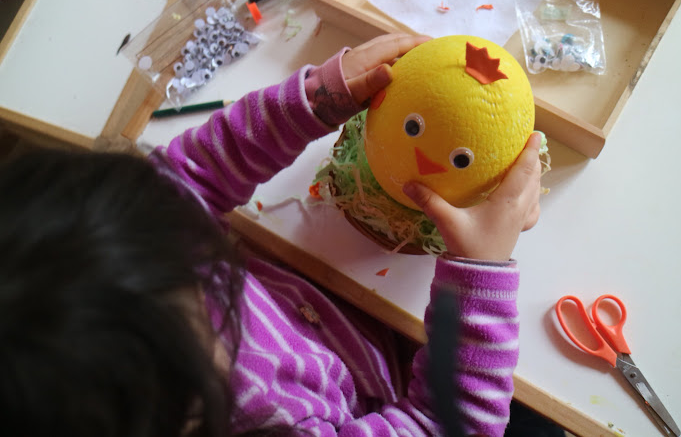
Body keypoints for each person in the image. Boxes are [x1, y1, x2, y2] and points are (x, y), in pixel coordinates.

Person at [0, 33, 542, 436]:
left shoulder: (124, 251)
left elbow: (189, 178)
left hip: (326, 300)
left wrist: (316, 101)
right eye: (210, 298)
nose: (205, 273)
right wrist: (481, 272)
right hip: (403, 373)